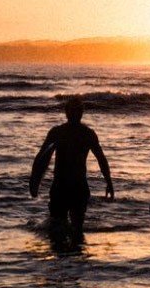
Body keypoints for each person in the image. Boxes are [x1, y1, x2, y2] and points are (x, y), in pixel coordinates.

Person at [30, 96, 114, 235]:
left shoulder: (87, 134)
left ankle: (76, 248)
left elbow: (101, 158)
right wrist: (34, 181)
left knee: (77, 229)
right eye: (72, 110)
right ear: (66, 112)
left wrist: (109, 182)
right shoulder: (58, 132)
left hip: (78, 187)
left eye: (78, 110)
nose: (75, 113)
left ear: (82, 113)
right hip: (60, 186)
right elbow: (42, 157)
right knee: (57, 228)